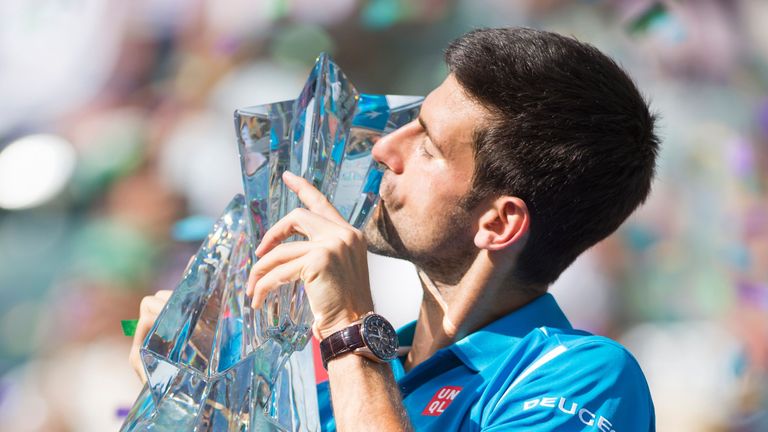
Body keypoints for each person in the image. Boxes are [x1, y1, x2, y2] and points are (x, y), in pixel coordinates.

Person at [131, 27, 659, 431]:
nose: (384, 148)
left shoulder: (583, 379)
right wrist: (198, 396)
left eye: (426, 145)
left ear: (498, 223)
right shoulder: (339, 383)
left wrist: (349, 322)